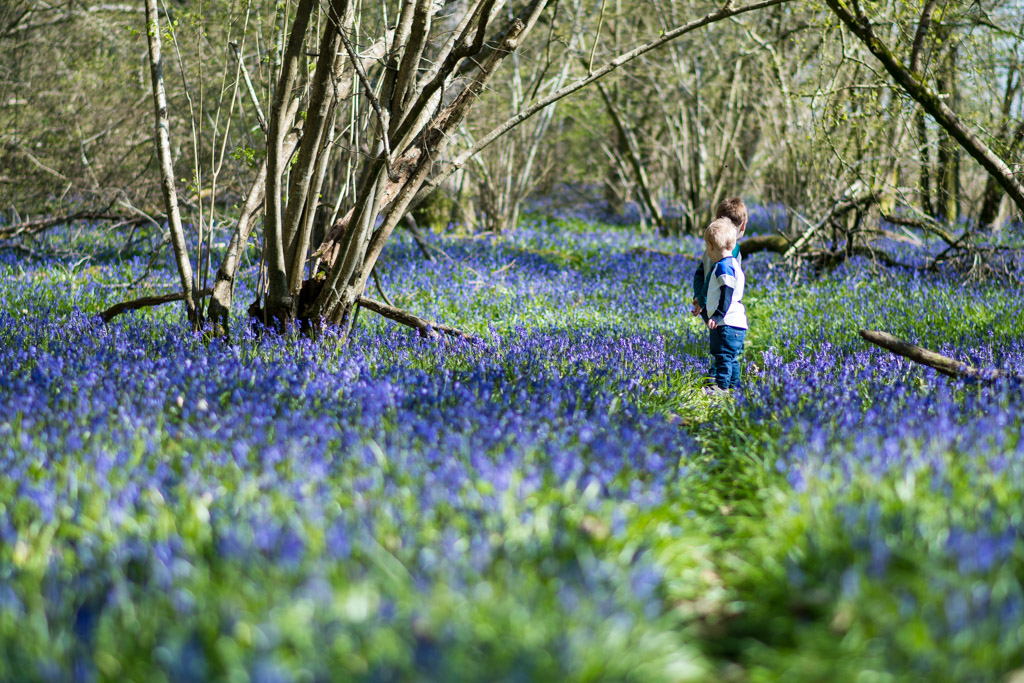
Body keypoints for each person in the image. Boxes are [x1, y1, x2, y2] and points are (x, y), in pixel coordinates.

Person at [701, 218, 747, 391]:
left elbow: (726, 291)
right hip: (737, 324)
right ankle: (735, 389)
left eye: (707, 247)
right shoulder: (733, 265)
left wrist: (718, 315)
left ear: (711, 246)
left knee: (723, 358)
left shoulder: (723, 267)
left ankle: (721, 389)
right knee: (731, 358)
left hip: (726, 323)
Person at [690, 197, 747, 320]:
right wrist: (702, 299)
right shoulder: (733, 250)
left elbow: (699, 274)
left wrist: (698, 296)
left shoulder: (710, 249)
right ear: (743, 226)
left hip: (707, 305)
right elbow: (714, 275)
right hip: (722, 310)